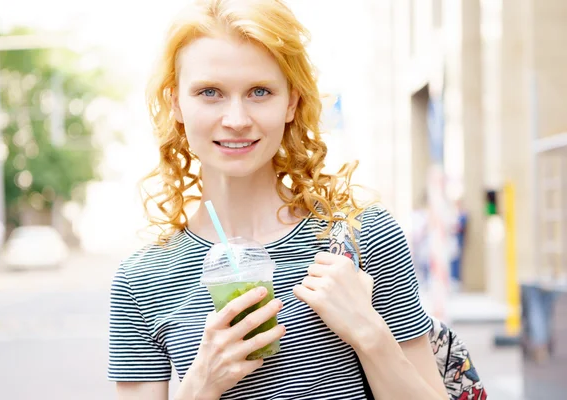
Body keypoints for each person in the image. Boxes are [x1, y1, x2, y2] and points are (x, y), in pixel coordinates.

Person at [108, 0, 447, 399]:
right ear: (175, 103)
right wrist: (202, 383)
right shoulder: (140, 281)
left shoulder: (363, 236)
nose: (236, 119)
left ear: (291, 102)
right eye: (210, 92)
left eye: (259, 92)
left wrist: (368, 333)